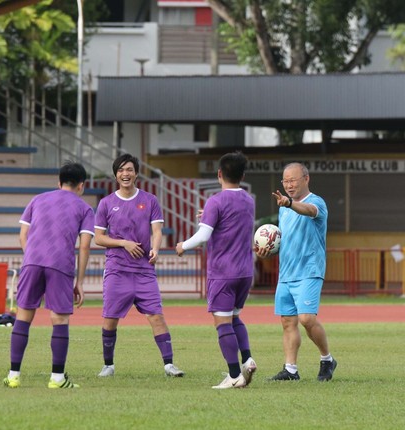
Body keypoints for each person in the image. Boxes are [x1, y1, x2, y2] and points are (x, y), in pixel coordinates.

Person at [3, 162, 94, 389]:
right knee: (59, 319)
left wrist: (33, 256)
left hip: (31, 262)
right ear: (82, 185)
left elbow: (23, 235)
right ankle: (57, 378)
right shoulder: (85, 208)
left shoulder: (38, 199)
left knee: (23, 317)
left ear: (59, 182)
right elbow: (84, 246)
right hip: (60, 264)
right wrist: (80, 282)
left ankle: (13, 375)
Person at [95, 153, 184, 378]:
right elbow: (98, 238)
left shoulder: (150, 200)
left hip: (144, 270)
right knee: (110, 318)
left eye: (130, 170)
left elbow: (156, 231)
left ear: (136, 173)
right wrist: (123, 243)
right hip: (117, 269)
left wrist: (155, 248)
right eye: (121, 170)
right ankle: (108, 365)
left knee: (156, 316)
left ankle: (169, 365)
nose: (126, 174)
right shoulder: (106, 203)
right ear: (116, 174)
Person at [176, 151, 257, 389]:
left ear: (219, 173)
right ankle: (248, 359)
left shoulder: (215, 201)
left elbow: (204, 235)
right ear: (242, 175)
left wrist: (183, 245)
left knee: (222, 323)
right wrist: (208, 216)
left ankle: (234, 376)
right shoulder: (248, 199)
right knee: (235, 317)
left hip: (223, 271)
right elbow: (228, 222)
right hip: (244, 271)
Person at [258, 162, 337, 382]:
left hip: (310, 270)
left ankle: (327, 359)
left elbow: (310, 211)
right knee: (288, 322)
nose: (289, 185)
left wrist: (290, 203)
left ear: (306, 179)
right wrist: (268, 251)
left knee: (306, 318)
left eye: (293, 180)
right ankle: (291, 370)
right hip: (286, 273)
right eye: (285, 181)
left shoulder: (315, 202)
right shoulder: (284, 208)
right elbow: (285, 240)